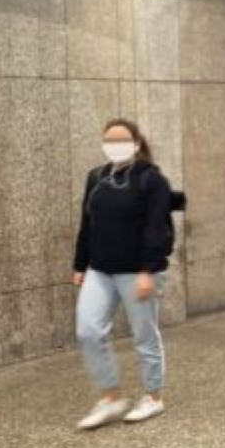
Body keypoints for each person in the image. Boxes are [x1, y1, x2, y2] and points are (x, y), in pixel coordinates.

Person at [72, 119, 173, 430]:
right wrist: (80, 265)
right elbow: (87, 223)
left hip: (138, 271)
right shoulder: (96, 177)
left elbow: (160, 228)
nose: (115, 146)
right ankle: (111, 397)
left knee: (144, 334)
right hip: (100, 269)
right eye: (109, 140)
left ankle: (153, 396)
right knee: (88, 331)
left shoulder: (151, 180)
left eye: (122, 139)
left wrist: (148, 270)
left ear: (136, 143)